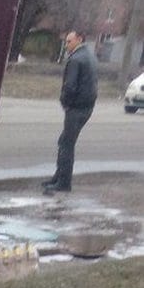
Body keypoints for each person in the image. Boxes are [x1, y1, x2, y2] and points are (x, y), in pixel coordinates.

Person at [43, 30, 98, 194]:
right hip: (87, 107)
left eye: (69, 41)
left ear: (79, 40)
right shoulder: (90, 56)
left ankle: (64, 182)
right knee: (64, 141)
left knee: (66, 144)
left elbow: (70, 86)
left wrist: (65, 102)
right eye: (66, 42)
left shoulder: (75, 59)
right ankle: (58, 177)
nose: (66, 45)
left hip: (76, 108)